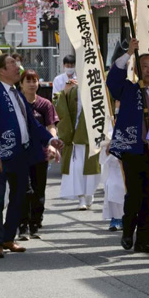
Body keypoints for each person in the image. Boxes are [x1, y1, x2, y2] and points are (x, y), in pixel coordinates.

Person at [0, 53, 60, 259]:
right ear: (1, 71)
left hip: (20, 154)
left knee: (20, 196)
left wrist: (50, 140)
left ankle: (8, 237)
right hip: (0, 156)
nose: (17, 67)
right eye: (12, 64)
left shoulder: (17, 94)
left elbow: (32, 124)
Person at [109, 39, 149, 253]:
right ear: (137, 69)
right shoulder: (128, 90)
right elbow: (113, 79)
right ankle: (127, 231)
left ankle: (143, 239)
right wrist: (129, 53)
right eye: (144, 66)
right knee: (134, 193)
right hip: (133, 149)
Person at [55, 78, 104, 220]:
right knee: (76, 168)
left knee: (92, 170)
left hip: (93, 135)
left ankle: (90, 194)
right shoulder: (73, 89)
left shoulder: (98, 89)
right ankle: (81, 197)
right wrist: (65, 92)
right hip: (75, 135)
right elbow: (59, 105)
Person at [18, 69, 57, 241]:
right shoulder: (16, 102)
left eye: (34, 81)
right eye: (28, 81)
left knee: (38, 190)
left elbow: (51, 126)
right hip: (20, 153)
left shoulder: (45, 104)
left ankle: (35, 223)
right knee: (24, 190)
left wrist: (53, 143)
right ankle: (22, 225)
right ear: (21, 84)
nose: (32, 84)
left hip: (40, 153)